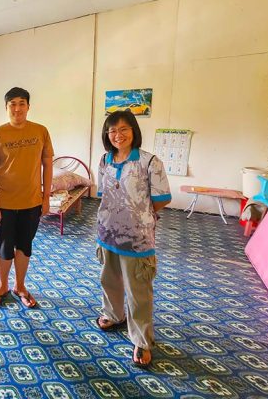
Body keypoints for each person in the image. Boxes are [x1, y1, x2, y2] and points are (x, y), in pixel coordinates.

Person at [93, 110, 170, 368]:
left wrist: (137, 217)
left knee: (139, 289)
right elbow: (104, 194)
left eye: (124, 129)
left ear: (134, 131)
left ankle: (141, 339)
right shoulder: (105, 160)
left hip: (137, 239)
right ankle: (113, 315)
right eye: (112, 130)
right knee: (109, 279)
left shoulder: (149, 162)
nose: (118, 135)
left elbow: (161, 200)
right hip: (107, 232)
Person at [0, 87, 53, 309]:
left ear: (28, 107)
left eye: (22, 103)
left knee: (24, 246)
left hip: (31, 202)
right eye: (12, 104)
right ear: (6, 108)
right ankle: (2, 285)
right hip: (3, 204)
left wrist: (45, 198)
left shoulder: (40, 131)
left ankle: (20, 286)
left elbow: (48, 165)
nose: (17, 108)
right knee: (4, 248)